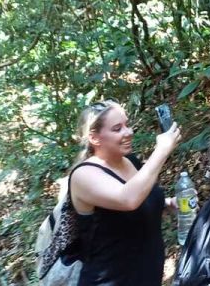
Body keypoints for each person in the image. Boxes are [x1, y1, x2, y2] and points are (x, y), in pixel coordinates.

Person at [68, 100, 182, 285]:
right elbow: (127, 199)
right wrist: (161, 151)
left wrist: (167, 203)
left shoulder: (129, 161)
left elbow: (139, 197)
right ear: (94, 138)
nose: (128, 132)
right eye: (117, 128)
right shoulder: (83, 175)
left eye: (127, 125)